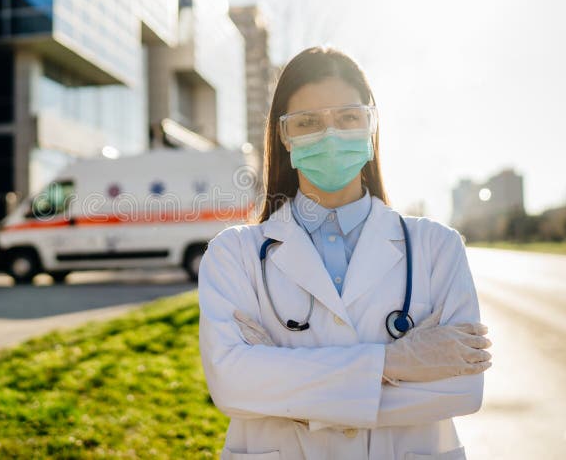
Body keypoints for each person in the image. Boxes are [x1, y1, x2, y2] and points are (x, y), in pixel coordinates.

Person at [197, 47, 493, 460]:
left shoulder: (438, 247)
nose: (330, 135)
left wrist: (283, 388)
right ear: (284, 136)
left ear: (370, 124)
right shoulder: (234, 254)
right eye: (308, 122)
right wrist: (396, 362)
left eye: (348, 117)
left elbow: (461, 389)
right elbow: (231, 385)